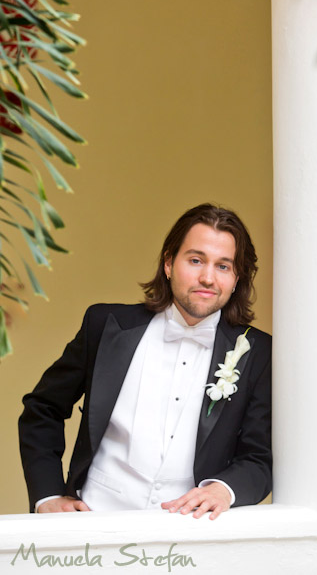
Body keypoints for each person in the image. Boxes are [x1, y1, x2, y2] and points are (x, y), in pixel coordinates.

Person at [19, 203, 272, 520]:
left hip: (191, 536)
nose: (208, 277)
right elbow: (42, 408)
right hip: (93, 522)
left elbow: (260, 456)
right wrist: (48, 495)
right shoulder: (105, 325)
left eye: (224, 266)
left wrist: (225, 488)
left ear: (236, 278)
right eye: (195, 260)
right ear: (168, 263)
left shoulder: (257, 352)